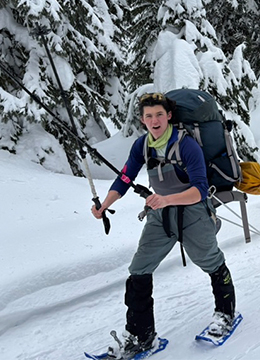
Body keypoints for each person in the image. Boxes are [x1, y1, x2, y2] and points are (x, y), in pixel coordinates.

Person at [91, 93, 236, 359]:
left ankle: (225, 314)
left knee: (210, 261)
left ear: (169, 116)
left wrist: (165, 199)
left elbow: (200, 190)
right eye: (148, 116)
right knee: (138, 269)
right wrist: (105, 205)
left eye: (159, 114)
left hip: (192, 212)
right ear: (142, 120)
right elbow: (125, 177)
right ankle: (141, 335)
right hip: (159, 215)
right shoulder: (142, 145)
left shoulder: (186, 145)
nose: (154, 120)